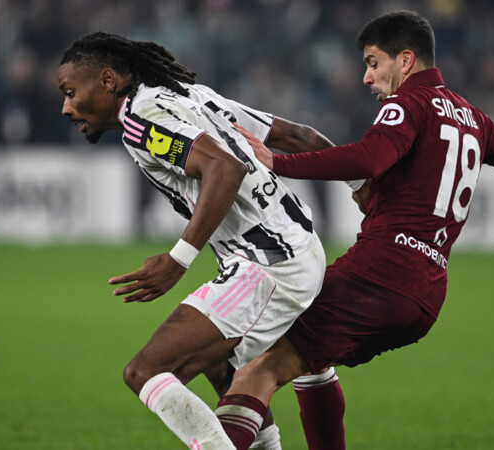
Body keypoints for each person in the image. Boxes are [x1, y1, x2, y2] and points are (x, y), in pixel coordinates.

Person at [141, 11, 494, 449]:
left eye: (373, 63)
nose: (367, 77)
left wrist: (279, 162)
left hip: (379, 275)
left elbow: (370, 157)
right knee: (310, 362)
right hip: (427, 293)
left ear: (406, 60)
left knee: (259, 370)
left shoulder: (408, 104)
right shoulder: (472, 117)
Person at [57, 32, 356, 449]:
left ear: (107, 81)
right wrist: (360, 183)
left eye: (70, 92)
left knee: (146, 372)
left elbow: (224, 168)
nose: (67, 107)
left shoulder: (140, 120)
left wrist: (178, 259)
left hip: (269, 264)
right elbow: (297, 135)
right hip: (296, 245)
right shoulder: (191, 95)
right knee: (224, 366)